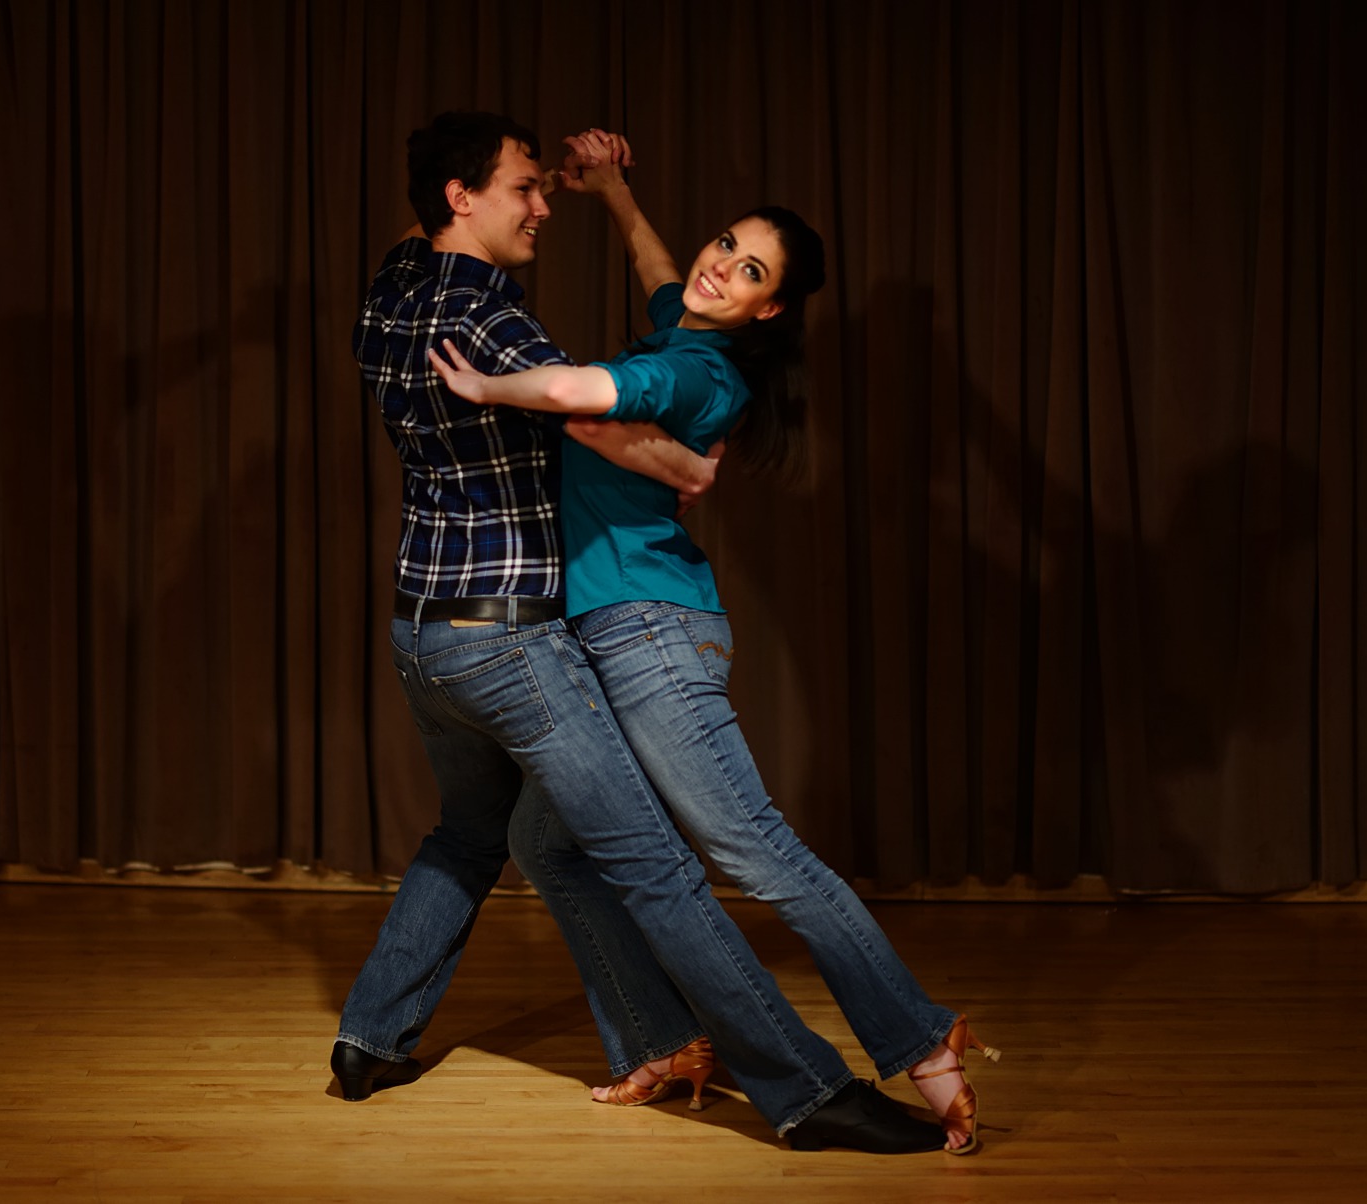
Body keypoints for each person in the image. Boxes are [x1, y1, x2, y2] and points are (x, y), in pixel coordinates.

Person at [336, 110, 944, 1156]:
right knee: (653, 867)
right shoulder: (493, 319)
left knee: (482, 835)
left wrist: (608, 198)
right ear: (461, 198)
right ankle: (805, 1093)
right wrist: (688, 466)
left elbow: (632, 354)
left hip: (421, 631)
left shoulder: (393, 287)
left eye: (747, 266)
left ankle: (370, 1039)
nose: (543, 206)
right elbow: (589, 406)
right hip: (510, 637)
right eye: (525, 189)